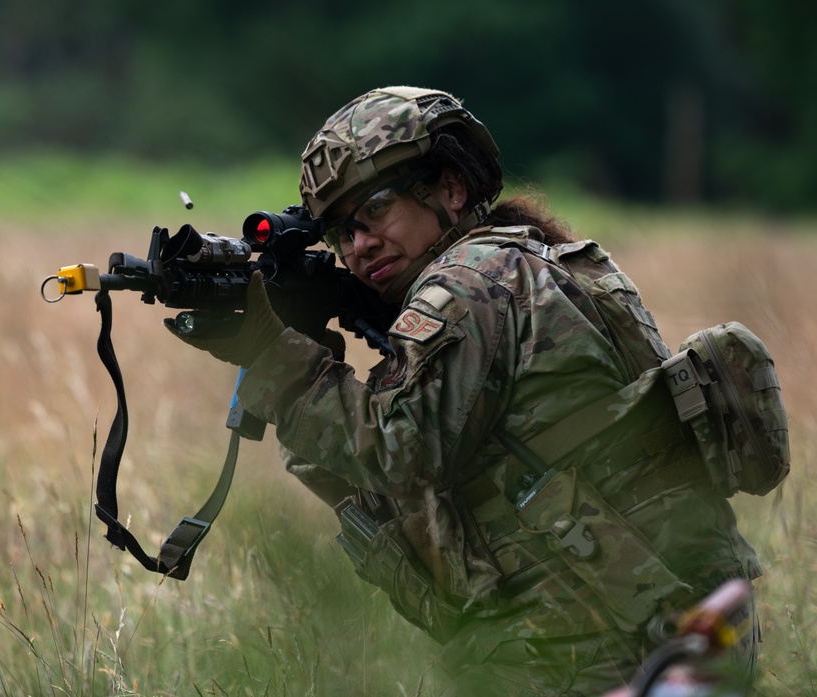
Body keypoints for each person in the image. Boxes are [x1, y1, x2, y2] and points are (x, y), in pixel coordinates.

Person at [166, 86, 761, 696]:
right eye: (340, 232)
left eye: (375, 209)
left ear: (449, 189)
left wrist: (274, 354)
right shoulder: (529, 260)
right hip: (658, 618)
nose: (358, 245)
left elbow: (402, 453)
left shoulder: (473, 280)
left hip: (602, 639)